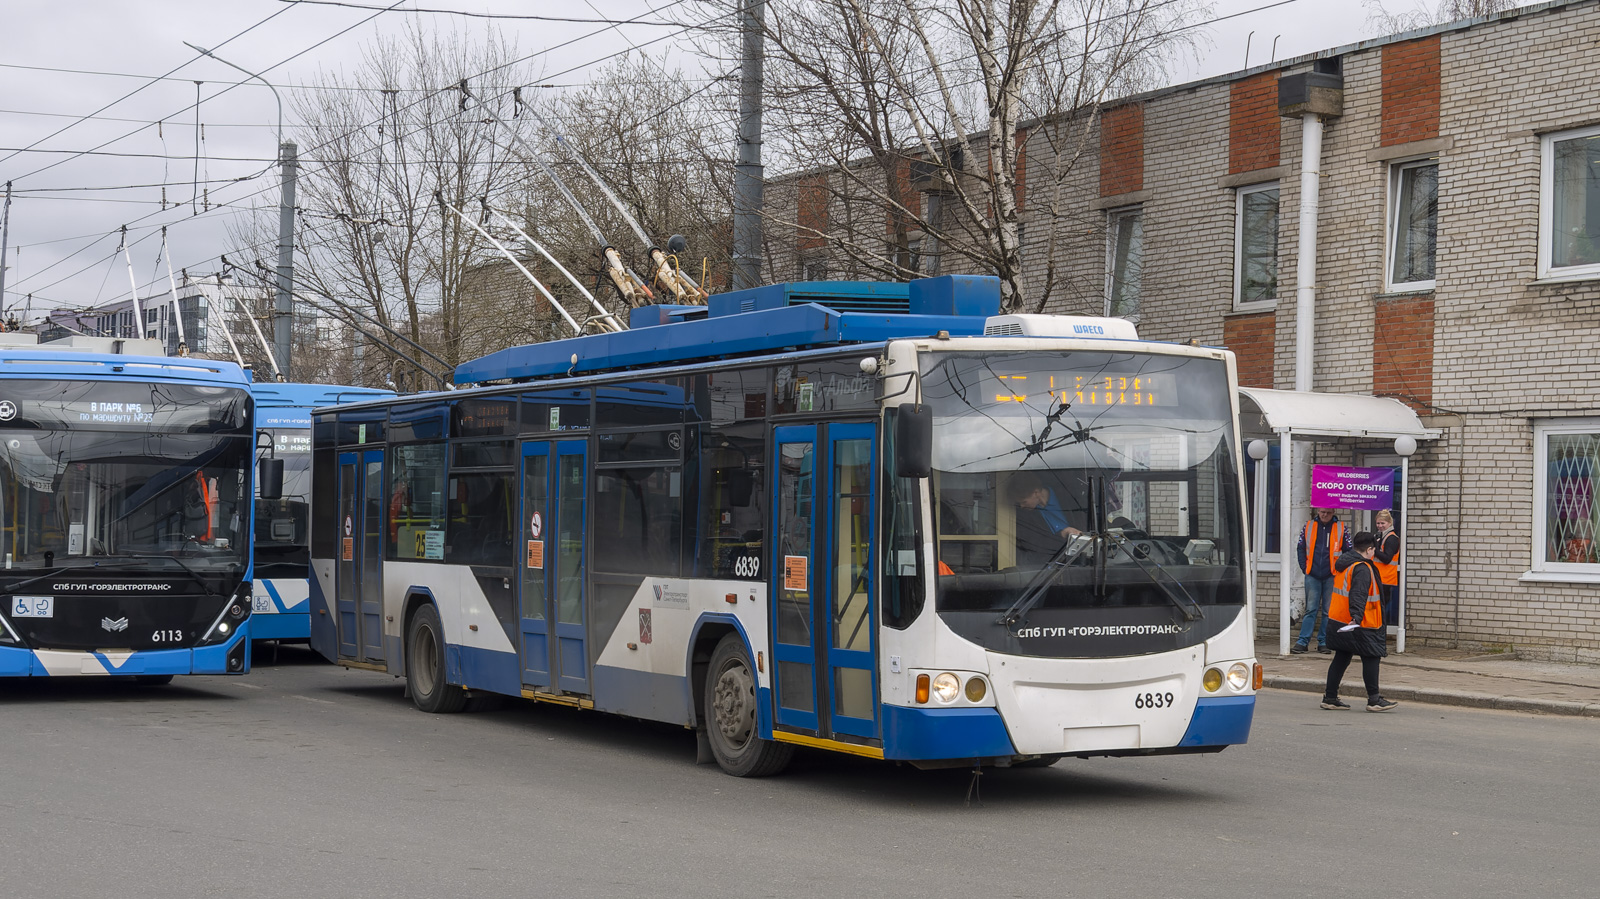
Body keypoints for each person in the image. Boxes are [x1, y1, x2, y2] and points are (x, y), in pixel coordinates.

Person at [1320, 531, 1399, 712]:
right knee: (1371, 656)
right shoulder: (1362, 567)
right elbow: (1359, 594)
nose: (1374, 553)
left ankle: (1330, 697)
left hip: (1339, 619)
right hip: (1362, 622)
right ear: (1370, 549)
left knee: (1341, 657)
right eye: (1374, 550)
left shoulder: (1345, 564)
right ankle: (1374, 699)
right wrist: (1356, 617)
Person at [1293, 507, 1353, 654]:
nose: (1325, 515)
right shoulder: (1308, 526)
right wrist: (1305, 568)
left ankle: (1324, 642)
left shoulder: (1341, 528)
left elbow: (1349, 551)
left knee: (1328, 611)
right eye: (1322, 512)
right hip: (1312, 574)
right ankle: (1302, 641)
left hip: (1332, 575)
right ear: (1318, 512)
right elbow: (1300, 548)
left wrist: (1340, 569)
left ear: (1333, 513)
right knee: (1310, 610)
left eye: (1328, 512)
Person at [1007, 473, 1083, 565]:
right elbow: (1037, 544)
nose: (1022, 506)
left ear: (1036, 493)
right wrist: (1061, 534)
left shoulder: (1069, 497)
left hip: (1082, 559)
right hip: (1053, 566)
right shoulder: (1026, 516)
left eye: (1024, 502)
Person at [1374, 510, 1401, 630]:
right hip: (1379, 578)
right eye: (1378, 523)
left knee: (1382, 609)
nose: (1380, 526)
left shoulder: (1391, 538)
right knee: (1378, 609)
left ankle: (1380, 635)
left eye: (1382, 523)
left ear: (1389, 523)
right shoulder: (1380, 536)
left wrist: (1374, 550)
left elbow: (1387, 559)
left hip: (1385, 579)